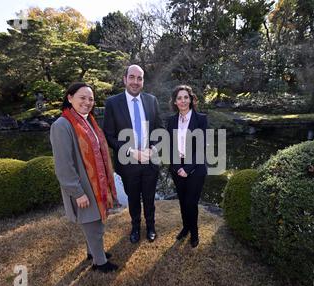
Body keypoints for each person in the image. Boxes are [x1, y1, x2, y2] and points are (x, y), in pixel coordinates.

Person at [50, 82, 119, 273]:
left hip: (94, 182)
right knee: (93, 223)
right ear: (70, 97)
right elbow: (64, 164)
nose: (87, 102)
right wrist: (77, 192)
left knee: (94, 221)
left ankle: (93, 252)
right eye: (82, 97)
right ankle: (100, 262)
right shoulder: (62, 125)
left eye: (91, 99)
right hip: (82, 184)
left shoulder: (87, 121)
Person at [103, 65, 163, 244]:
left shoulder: (152, 100)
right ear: (125, 79)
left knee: (150, 198)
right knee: (134, 198)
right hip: (128, 162)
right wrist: (131, 151)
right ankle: (136, 227)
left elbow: (160, 129)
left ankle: (151, 226)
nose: (135, 82)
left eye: (140, 78)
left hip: (150, 160)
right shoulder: (113, 103)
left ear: (143, 81)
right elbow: (109, 135)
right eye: (132, 77)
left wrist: (153, 148)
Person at [166, 85, 208, 248]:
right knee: (183, 201)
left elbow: (201, 146)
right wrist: (177, 167)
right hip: (177, 166)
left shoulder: (201, 119)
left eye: (185, 97)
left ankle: (194, 232)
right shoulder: (171, 121)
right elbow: (170, 146)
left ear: (190, 99)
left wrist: (188, 168)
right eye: (179, 98)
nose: (183, 101)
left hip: (196, 168)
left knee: (191, 202)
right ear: (175, 102)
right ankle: (185, 228)